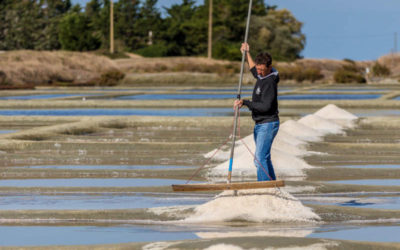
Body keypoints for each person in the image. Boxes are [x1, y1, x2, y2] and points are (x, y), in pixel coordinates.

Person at [234, 42, 280, 181]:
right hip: (260, 124)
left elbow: (265, 106)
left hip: (268, 124)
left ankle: (264, 187)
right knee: (264, 158)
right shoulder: (262, 75)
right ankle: (272, 185)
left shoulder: (270, 82)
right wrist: (247, 53)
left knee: (259, 159)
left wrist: (246, 102)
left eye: (262, 70)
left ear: (269, 67)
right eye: (258, 69)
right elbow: (254, 69)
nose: (258, 72)